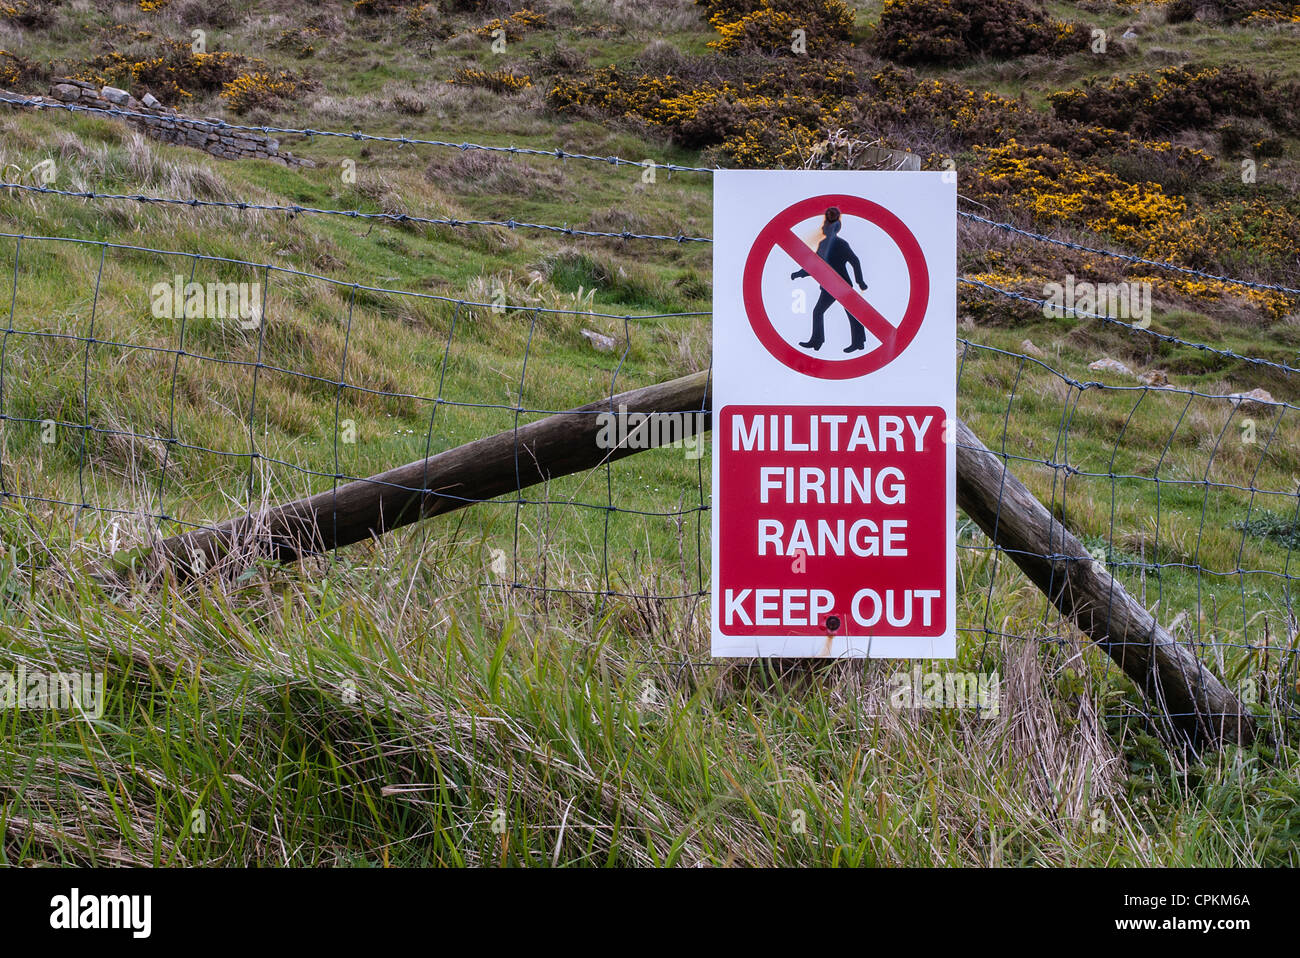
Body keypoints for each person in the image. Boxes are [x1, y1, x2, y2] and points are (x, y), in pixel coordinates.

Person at [790, 207, 869, 353]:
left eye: (826, 224)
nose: (823, 227)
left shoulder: (840, 244)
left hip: (842, 285)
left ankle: (858, 342)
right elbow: (815, 264)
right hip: (828, 286)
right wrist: (800, 273)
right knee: (820, 311)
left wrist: (860, 281)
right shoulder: (822, 245)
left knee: (849, 312)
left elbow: (854, 260)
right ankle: (817, 341)